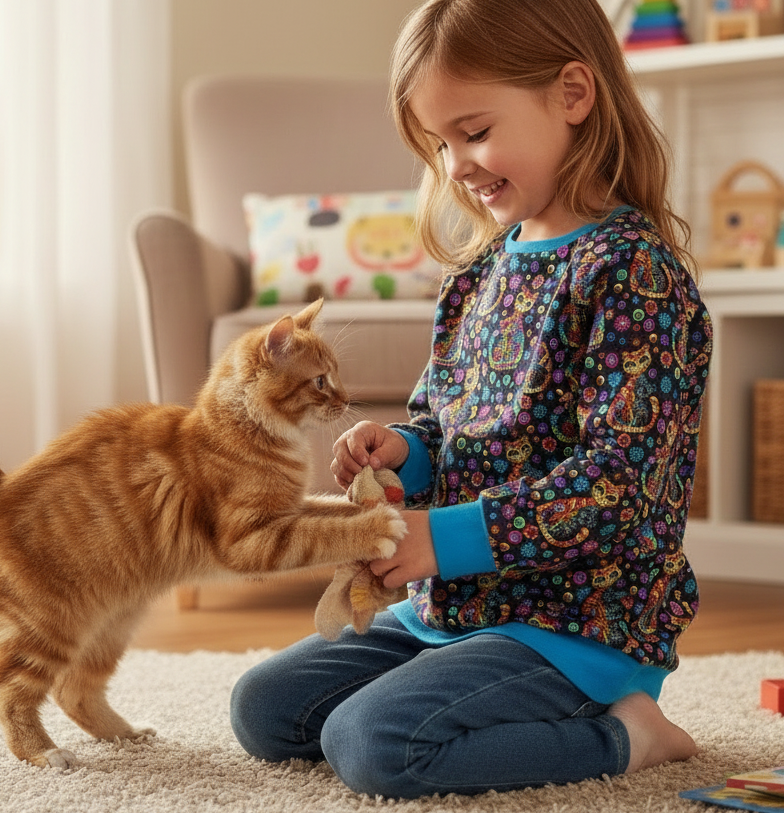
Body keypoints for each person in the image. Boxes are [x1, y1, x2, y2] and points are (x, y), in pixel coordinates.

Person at [230, 0, 711, 798]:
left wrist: (439, 539)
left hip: (575, 623)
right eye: (440, 143)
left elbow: (617, 493)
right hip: (449, 610)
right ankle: (469, 684)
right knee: (264, 709)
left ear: (573, 95)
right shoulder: (475, 279)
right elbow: (446, 428)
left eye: (475, 131)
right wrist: (404, 451)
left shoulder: (636, 277)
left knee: (373, 742)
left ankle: (626, 731)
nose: (455, 164)